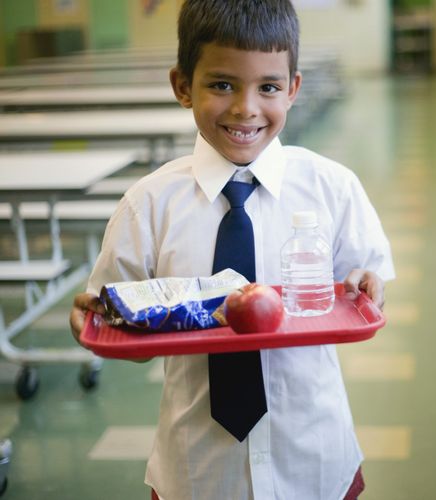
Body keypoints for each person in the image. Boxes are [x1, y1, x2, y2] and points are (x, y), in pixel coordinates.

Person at [68, 1, 394, 498]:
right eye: (222, 84)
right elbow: (119, 325)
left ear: (293, 89)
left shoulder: (333, 189)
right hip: (198, 471)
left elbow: (364, 293)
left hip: (313, 459)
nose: (245, 108)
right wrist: (97, 322)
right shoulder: (148, 205)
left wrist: (368, 286)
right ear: (182, 86)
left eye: (268, 87)